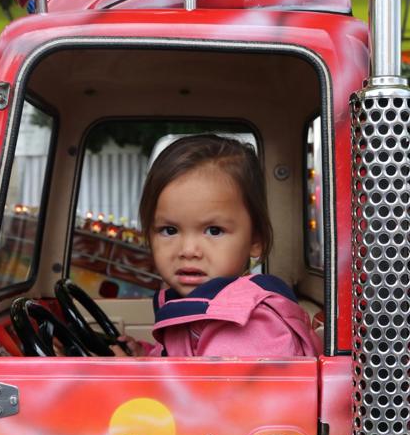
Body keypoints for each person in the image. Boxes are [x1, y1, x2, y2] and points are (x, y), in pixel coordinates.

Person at [117, 135, 319, 358]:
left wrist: (136, 378)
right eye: (169, 230)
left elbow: (208, 391)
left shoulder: (245, 324)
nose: (188, 250)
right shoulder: (200, 304)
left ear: (255, 241)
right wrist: (144, 359)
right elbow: (179, 362)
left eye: (214, 231)